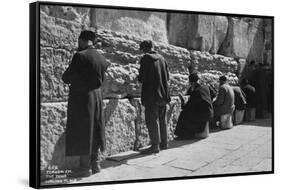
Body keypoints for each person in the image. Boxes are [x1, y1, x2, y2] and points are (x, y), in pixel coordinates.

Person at [62, 30, 108, 177]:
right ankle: (96, 164)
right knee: (95, 128)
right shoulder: (102, 58)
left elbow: (66, 77)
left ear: (82, 40)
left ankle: (84, 168)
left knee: (84, 131)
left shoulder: (80, 56)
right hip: (97, 97)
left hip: (83, 98)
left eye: (78, 41)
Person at [138, 40, 171, 154]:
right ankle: (164, 143)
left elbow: (141, 78)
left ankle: (155, 145)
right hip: (163, 95)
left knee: (152, 120)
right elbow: (167, 77)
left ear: (145, 49)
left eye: (142, 50)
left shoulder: (146, 59)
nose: (142, 52)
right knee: (162, 120)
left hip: (151, 96)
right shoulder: (162, 58)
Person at [174, 72, 213, 139]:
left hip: (204, 115)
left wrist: (182, 101)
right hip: (210, 112)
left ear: (192, 83)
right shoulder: (206, 87)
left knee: (183, 114)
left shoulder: (196, 91)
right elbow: (213, 94)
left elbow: (187, 106)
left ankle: (183, 135)